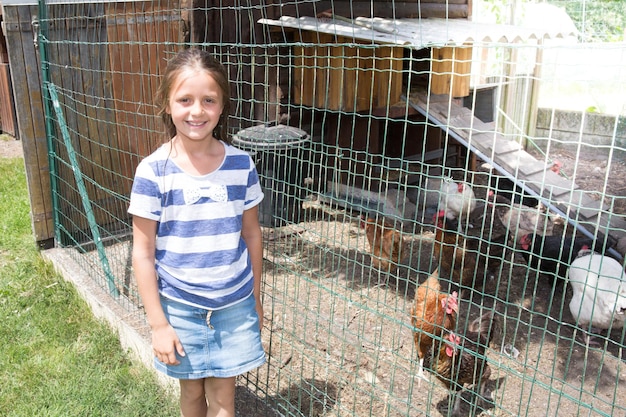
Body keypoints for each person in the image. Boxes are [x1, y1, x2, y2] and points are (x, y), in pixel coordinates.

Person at [128, 48, 266, 417]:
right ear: (167, 104)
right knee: (191, 396)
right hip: (180, 307)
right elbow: (142, 252)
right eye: (185, 100)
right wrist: (159, 324)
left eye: (209, 100)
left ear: (222, 107)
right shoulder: (153, 171)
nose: (197, 111)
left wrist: (254, 296)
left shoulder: (241, 165)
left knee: (224, 398)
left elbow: (252, 234)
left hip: (233, 304)